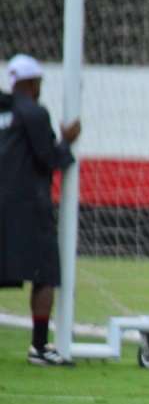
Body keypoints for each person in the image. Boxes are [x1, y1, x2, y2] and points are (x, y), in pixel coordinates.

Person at [0, 54, 81, 366]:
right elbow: (48, 159)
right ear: (32, 83)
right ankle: (39, 346)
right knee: (44, 273)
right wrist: (67, 141)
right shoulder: (34, 113)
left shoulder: (5, 110)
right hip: (28, 206)